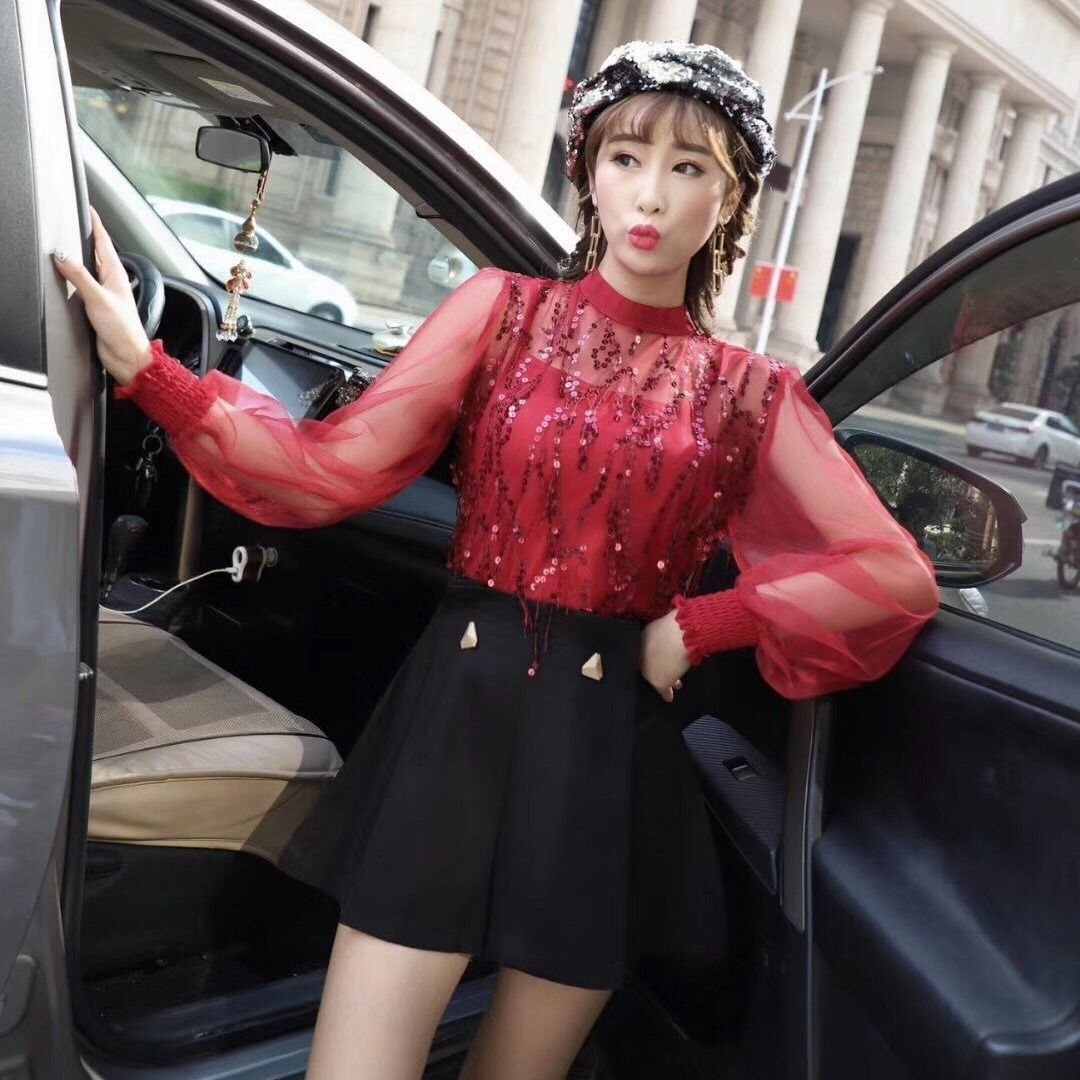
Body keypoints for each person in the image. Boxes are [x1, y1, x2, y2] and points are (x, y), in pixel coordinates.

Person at [55, 40, 939, 1080]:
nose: (651, 195)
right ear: (588, 173)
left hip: (607, 753)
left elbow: (894, 576)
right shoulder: (501, 311)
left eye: (689, 167)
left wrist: (704, 624)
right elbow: (331, 469)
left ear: (731, 198)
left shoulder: (752, 392)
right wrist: (150, 372)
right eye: (625, 159)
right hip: (458, 723)